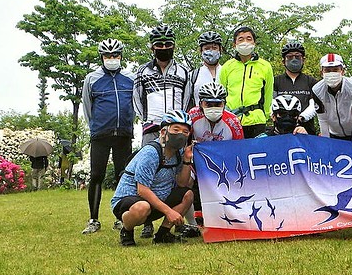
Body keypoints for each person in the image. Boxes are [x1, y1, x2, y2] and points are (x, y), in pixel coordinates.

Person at [111, 110, 195, 246]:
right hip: (131, 200)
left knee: (188, 194)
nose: (180, 134)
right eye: (176, 129)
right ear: (163, 132)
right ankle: (126, 230)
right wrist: (169, 212)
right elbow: (142, 190)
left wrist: (186, 160)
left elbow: (182, 183)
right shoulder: (151, 153)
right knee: (142, 207)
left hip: (157, 200)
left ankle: (163, 234)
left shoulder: (179, 153)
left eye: (185, 132)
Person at [81, 38, 135, 235]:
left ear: (121, 56)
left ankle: (120, 218)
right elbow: (87, 107)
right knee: (97, 175)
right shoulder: (92, 79)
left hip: (123, 134)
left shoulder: (131, 77)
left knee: (123, 176)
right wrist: (94, 127)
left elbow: (135, 104)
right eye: (107, 56)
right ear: (101, 57)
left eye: (115, 55)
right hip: (100, 134)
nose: (112, 59)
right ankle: (93, 219)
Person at [189, 82, 244, 228]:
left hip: (223, 164)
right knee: (188, 180)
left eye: (218, 104)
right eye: (209, 104)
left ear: (224, 104)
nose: (213, 108)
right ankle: (194, 220)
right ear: (201, 103)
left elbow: (240, 151)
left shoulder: (233, 122)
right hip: (197, 163)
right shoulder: (192, 117)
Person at [134, 24, 190, 146]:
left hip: (176, 127)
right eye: (159, 45)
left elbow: (187, 98)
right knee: (149, 161)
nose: (164, 48)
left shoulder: (183, 71)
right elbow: (137, 97)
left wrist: (181, 121)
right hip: (151, 127)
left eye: (168, 44)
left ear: (174, 46)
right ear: (152, 47)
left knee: (177, 163)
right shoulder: (142, 71)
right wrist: (145, 120)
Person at [219, 26, 274, 138]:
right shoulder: (227, 67)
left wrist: (265, 115)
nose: (245, 42)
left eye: (249, 39)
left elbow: (268, 93)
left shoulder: (265, 66)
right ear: (234, 45)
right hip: (232, 120)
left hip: (257, 121)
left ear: (254, 43)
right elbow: (221, 93)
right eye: (241, 39)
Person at [312, 53, 352, 141]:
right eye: (328, 70)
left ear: (342, 71)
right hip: (334, 135)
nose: (332, 73)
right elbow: (322, 120)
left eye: (335, 70)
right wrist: (327, 143)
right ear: (321, 72)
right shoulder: (317, 90)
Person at [273, 41, 319, 135]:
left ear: (303, 60)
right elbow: (271, 105)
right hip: (281, 133)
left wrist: (301, 118)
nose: (294, 59)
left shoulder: (311, 81)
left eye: (297, 57)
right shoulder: (276, 81)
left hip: (306, 132)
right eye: (290, 57)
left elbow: (314, 105)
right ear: (283, 61)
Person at [184, 31, 224, 110]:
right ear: (201, 51)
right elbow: (186, 102)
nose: (211, 51)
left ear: (220, 50)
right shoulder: (193, 75)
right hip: (199, 119)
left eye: (214, 48)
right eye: (207, 48)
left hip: (224, 119)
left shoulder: (227, 71)